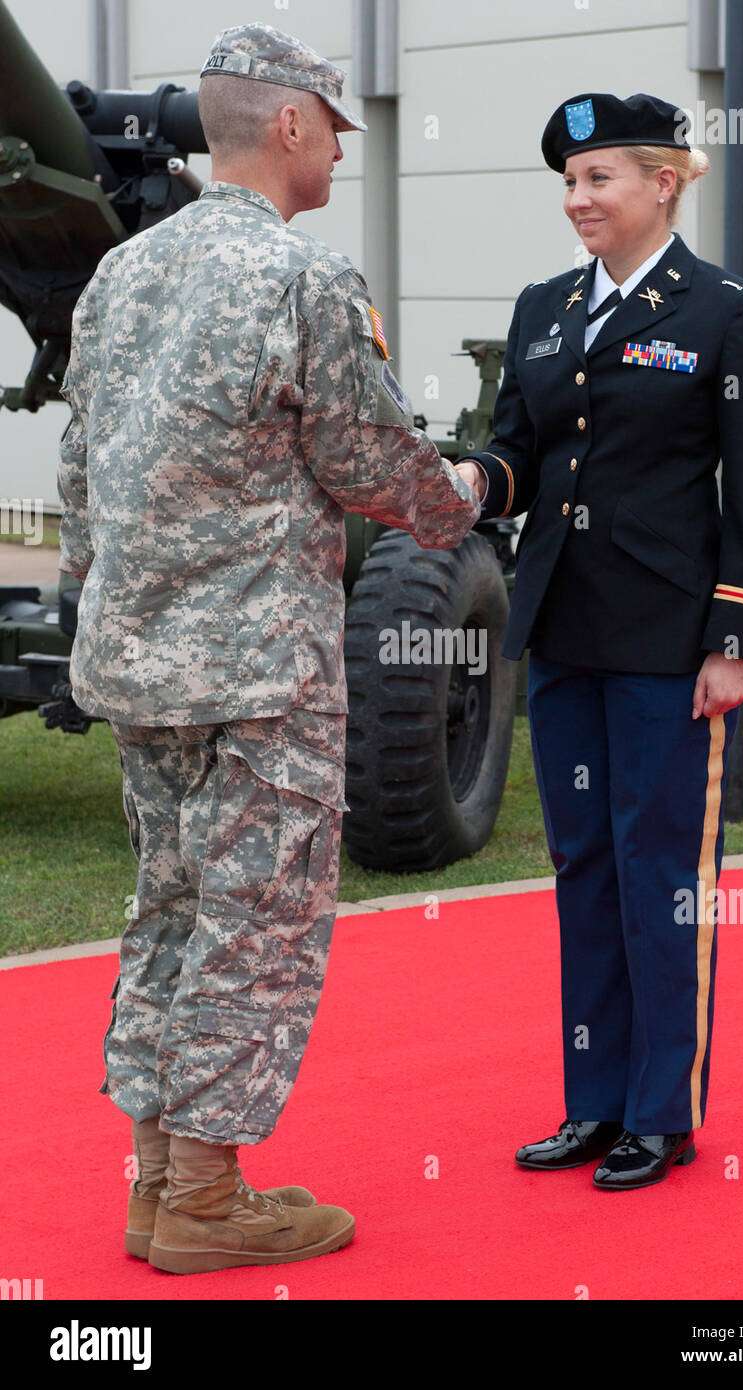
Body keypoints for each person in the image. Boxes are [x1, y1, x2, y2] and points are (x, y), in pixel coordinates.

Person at [56, 22, 483, 1273]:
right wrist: (463, 493)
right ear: (288, 123)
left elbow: (79, 472)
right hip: (260, 674)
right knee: (259, 923)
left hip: (139, 665)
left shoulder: (120, 274)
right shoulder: (303, 278)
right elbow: (366, 461)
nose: (341, 155)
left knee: (169, 912)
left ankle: (153, 1184)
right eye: (335, 130)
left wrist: (100, 595)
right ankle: (205, 1198)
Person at [456, 92, 743, 1190]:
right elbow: (518, 452)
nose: (576, 199)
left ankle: (661, 1111)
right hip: (561, 631)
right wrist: (466, 483)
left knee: (661, 875)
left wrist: (735, 635)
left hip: (666, 643)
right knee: (582, 868)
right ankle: (591, 1104)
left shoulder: (723, 311)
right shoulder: (542, 307)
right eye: (567, 182)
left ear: (666, 181)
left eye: (598, 178)